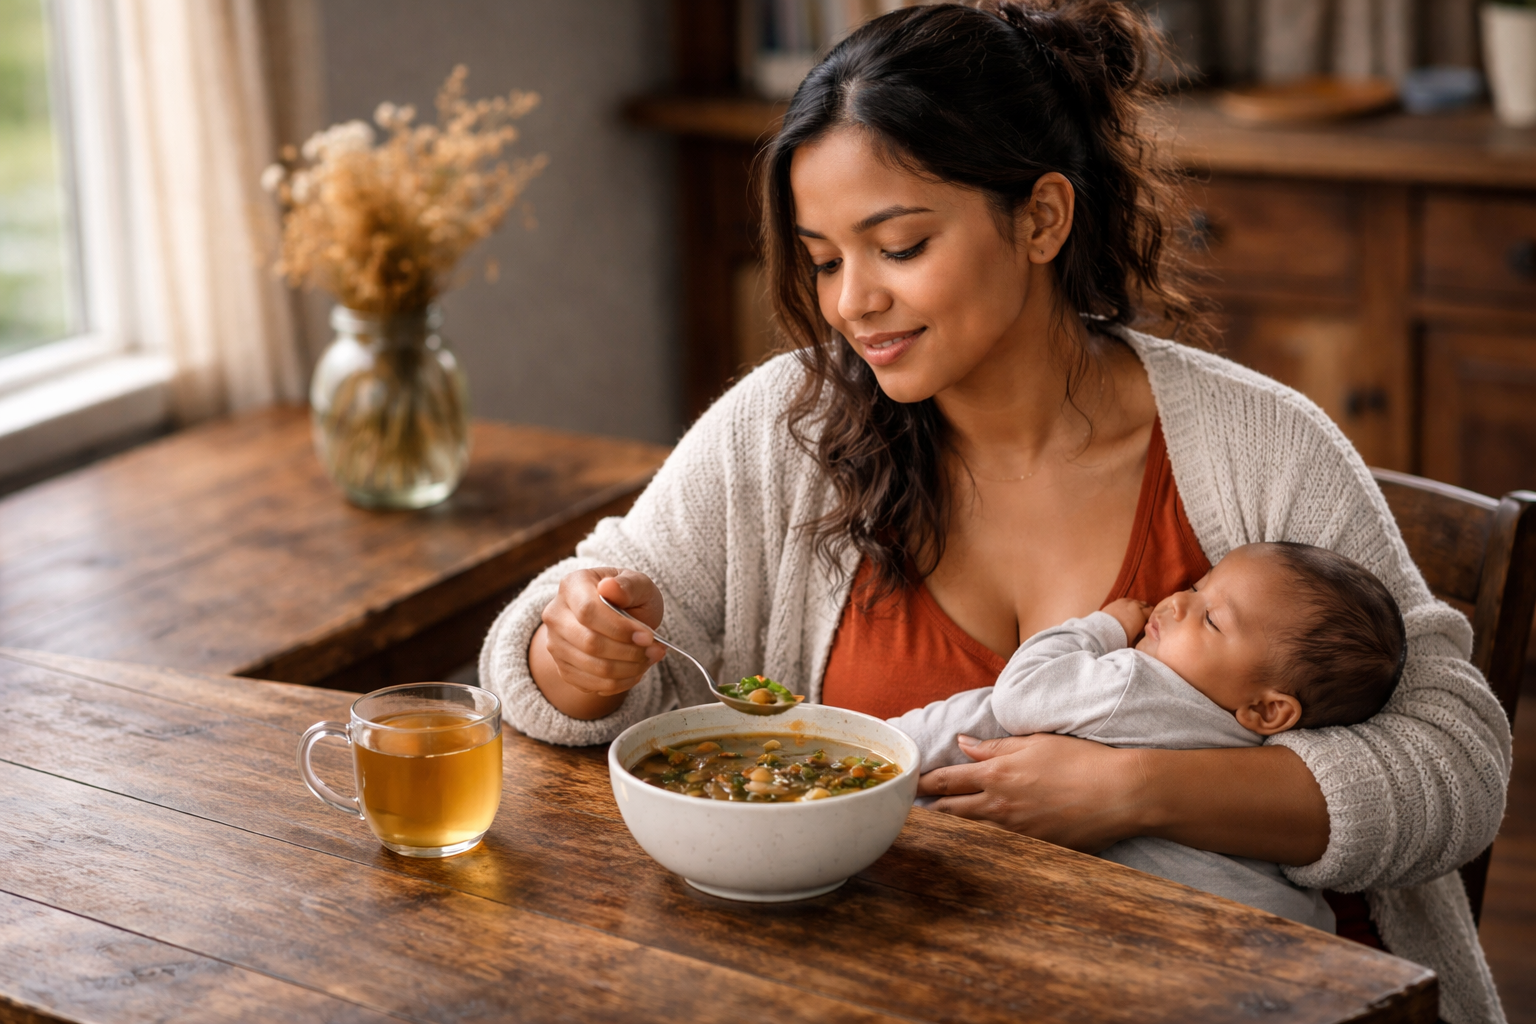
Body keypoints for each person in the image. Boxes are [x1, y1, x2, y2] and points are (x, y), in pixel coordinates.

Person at [478, 3, 1510, 1020]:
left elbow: (1456, 765)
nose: (852, 303)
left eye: (899, 244)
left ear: (1042, 220)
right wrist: (571, 656)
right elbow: (545, 640)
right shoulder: (777, 430)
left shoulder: (1265, 448)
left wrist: (1133, 793)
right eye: (826, 258)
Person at [890, 541, 1408, 931]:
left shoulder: (1132, 684)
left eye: (1211, 619)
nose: (1177, 601)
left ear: (1269, 709)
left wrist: (1101, 629)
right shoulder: (1259, 744)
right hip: (1279, 927)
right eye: (1199, 585)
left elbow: (1010, 700)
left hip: (1162, 932)